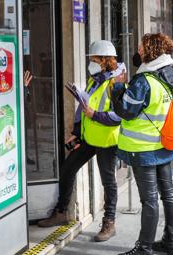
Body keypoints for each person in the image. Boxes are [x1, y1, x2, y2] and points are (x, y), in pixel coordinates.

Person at [38, 40, 124, 242]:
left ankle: (109, 222)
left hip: (106, 140)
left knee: (108, 182)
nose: (91, 62)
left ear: (104, 61)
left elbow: (119, 116)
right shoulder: (95, 79)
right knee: (68, 168)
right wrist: (77, 131)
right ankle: (61, 212)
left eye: (94, 59)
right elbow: (82, 108)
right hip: (88, 137)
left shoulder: (116, 83)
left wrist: (94, 115)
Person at [110, 33, 173, 255]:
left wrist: (119, 86)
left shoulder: (144, 81)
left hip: (143, 149)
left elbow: (125, 110)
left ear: (149, 51)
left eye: (141, 47)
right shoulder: (172, 77)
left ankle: (144, 249)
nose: (138, 50)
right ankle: (170, 241)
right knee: (168, 194)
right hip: (164, 145)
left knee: (149, 200)